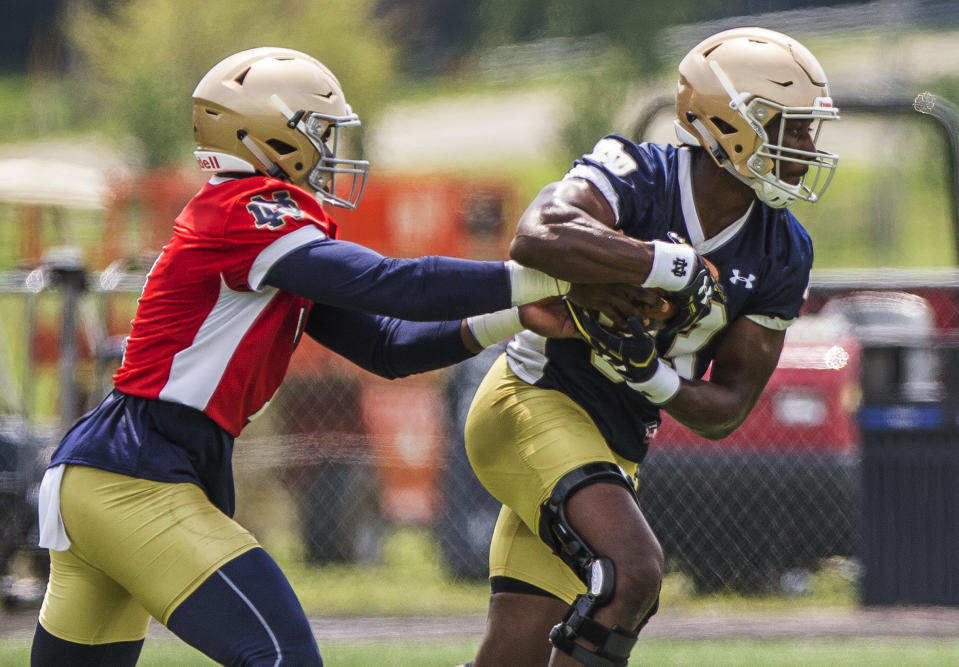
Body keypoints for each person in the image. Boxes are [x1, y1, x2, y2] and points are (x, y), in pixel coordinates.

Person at [28, 47, 580, 667]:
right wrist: (538, 277)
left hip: (109, 472)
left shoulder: (257, 231)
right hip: (139, 474)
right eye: (319, 131)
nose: (331, 150)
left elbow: (385, 346)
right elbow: (394, 283)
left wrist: (514, 314)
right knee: (284, 656)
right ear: (266, 135)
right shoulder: (248, 211)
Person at [462, 27, 840, 667]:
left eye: (810, 129)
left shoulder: (785, 247)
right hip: (533, 401)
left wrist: (649, 375)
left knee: (510, 658)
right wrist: (667, 265)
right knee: (631, 573)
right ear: (727, 123)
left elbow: (729, 404)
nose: (806, 148)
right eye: (790, 128)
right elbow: (537, 234)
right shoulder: (637, 172)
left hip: (615, 443)